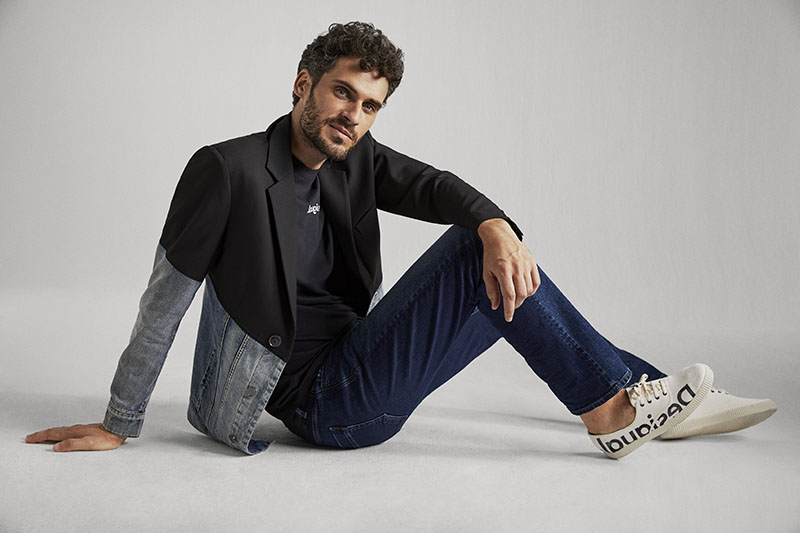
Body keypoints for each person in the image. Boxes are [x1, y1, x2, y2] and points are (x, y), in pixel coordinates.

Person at [26, 22, 775, 459]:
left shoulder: (356, 160)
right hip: (323, 403)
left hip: (356, 358)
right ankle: (613, 408)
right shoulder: (226, 171)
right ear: (303, 84)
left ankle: (641, 395)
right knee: (473, 255)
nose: (352, 116)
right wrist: (119, 422)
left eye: (370, 105)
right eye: (342, 92)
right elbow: (164, 299)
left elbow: (439, 186)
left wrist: (497, 225)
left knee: (489, 244)